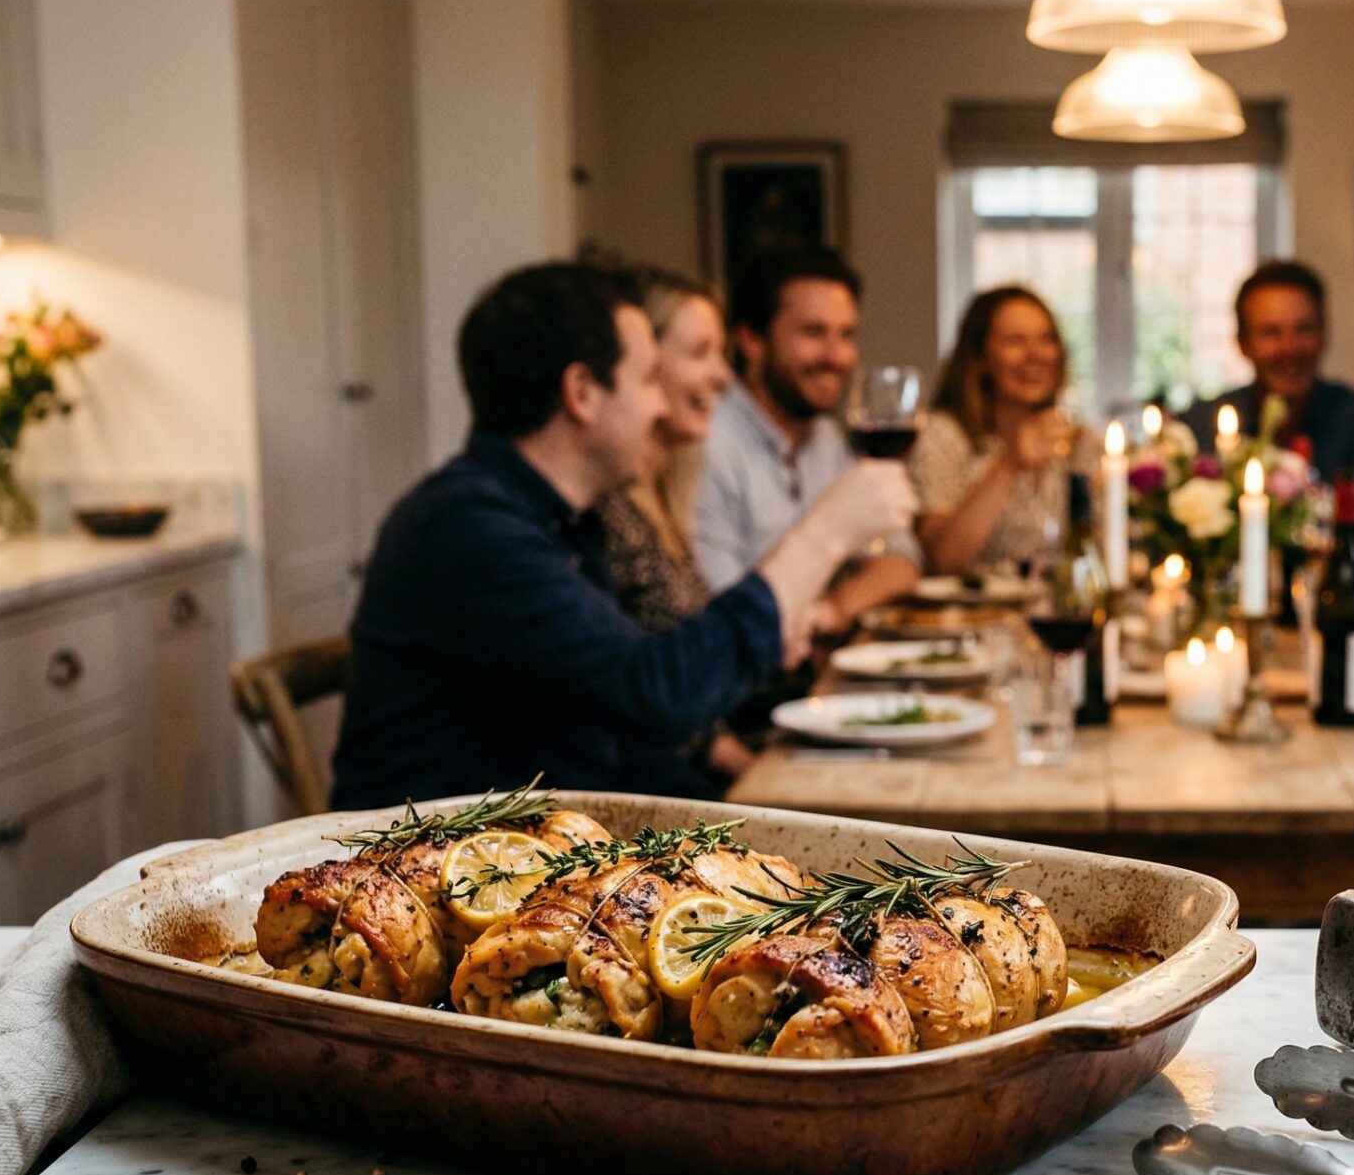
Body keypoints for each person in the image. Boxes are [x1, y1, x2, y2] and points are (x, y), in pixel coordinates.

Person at [330, 260, 915, 808]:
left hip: (538, 842)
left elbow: (619, 725)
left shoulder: (560, 518)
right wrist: (826, 534)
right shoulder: (470, 528)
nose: (659, 407)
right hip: (421, 877)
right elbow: (654, 697)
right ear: (582, 392)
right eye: (646, 380)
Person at [588, 263, 757, 787]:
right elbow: (631, 697)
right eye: (700, 352)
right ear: (642, 361)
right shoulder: (606, 507)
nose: (725, 376)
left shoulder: (669, 493)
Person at [692, 247, 921, 633]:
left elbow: (903, 556)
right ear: (751, 340)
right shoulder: (709, 444)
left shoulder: (826, 437)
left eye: (846, 334)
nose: (837, 356)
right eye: (813, 333)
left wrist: (834, 609)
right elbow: (728, 613)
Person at [1184, 260, 1354, 545]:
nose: (1290, 348)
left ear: (1325, 333)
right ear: (1242, 343)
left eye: (1304, 329)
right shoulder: (1202, 422)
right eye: (1270, 333)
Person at [909, 286, 1077, 575]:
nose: (1036, 355)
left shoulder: (1081, 444)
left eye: (1046, 339)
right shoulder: (944, 436)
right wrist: (1010, 463)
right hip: (970, 617)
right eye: (1015, 341)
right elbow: (942, 561)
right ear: (979, 358)